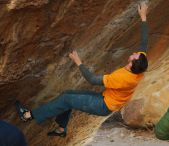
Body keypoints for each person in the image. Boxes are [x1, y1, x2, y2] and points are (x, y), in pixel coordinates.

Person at [15, 2, 150, 137]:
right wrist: (143, 17)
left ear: (132, 63)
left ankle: (28, 116)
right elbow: (144, 43)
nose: (134, 53)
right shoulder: (139, 67)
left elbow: (92, 79)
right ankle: (62, 129)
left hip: (103, 105)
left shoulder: (122, 79)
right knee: (68, 93)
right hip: (105, 98)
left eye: (134, 55)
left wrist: (78, 62)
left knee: (67, 99)